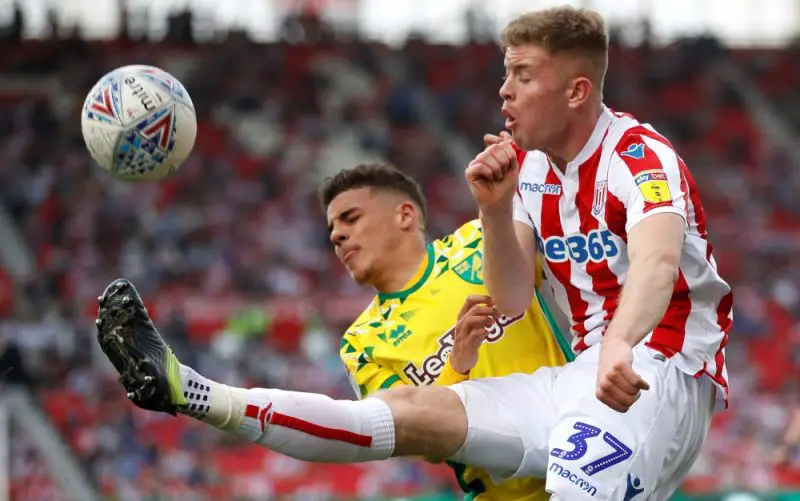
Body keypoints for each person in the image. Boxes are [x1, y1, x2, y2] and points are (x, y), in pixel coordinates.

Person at [95, 6, 733, 500]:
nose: (504, 91)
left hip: (659, 368)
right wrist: (494, 207)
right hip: (581, 380)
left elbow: (657, 263)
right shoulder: (531, 173)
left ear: (575, 91)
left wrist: (620, 343)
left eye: (522, 74)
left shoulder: (639, 157)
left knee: (577, 482)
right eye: (505, 73)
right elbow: (512, 298)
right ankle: (196, 392)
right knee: (404, 411)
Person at [325, 164, 571, 500]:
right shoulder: (361, 343)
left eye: (350, 218)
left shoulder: (479, 239)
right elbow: (418, 440)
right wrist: (457, 364)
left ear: (404, 215)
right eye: (332, 228)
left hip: (593, 464)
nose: (336, 236)